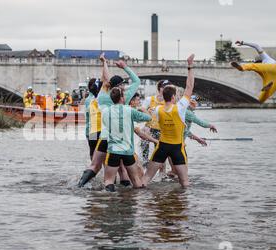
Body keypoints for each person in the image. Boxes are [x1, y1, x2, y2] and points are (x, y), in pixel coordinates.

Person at [78, 53, 141, 188]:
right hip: (120, 138)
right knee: (123, 169)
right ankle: (125, 195)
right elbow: (137, 82)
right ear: (121, 87)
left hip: (102, 135)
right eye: (123, 85)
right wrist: (125, 67)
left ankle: (79, 186)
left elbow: (106, 78)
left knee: (94, 165)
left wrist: (104, 62)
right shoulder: (125, 96)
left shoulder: (101, 95)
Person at [142, 54, 195, 188]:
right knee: (185, 182)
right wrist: (190, 66)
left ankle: (139, 202)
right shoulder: (180, 108)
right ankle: (183, 206)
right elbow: (189, 87)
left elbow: (147, 114)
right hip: (177, 148)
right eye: (176, 95)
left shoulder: (157, 110)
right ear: (173, 97)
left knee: (146, 178)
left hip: (162, 147)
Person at [102, 88, 152, 192]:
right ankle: (136, 201)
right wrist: (144, 110)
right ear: (121, 98)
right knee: (136, 181)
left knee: (108, 181)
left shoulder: (105, 111)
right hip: (128, 151)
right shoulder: (130, 110)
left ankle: (109, 203)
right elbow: (148, 118)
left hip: (113, 150)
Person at [232, 41, 276, 109]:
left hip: (275, 67)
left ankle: (242, 67)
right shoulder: (266, 74)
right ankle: (267, 89)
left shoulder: (265, 58)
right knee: (261, 99)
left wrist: (243, 43)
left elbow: (257, 46)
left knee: (254, 66)